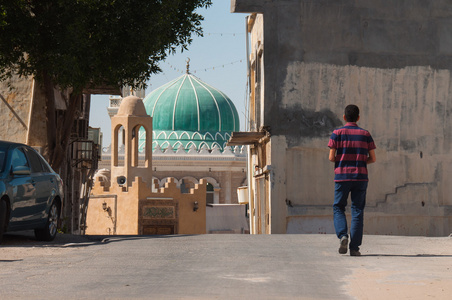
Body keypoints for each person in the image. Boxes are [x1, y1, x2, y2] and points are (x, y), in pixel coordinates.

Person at [328, 104, 376, 256]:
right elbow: (373, 158)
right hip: (360, 177)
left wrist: (342, 160)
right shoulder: (365, 134)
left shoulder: (337, 133)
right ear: (358, 118)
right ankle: (354, 248)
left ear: (344, 117)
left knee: (338, 207)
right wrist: (360, 162)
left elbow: (331, 157)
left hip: (342, 177)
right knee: (357, 210)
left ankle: (343, 235)